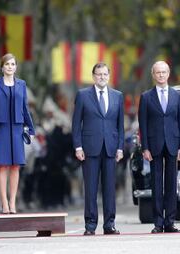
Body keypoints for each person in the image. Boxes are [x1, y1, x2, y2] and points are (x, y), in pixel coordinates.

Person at [72, 62, 124, 235]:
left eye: (105, 74)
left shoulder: (117, 96)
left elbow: (120, 125)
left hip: (110, 147)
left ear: (109, 76)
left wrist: (120, 147)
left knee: (109, 188)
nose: (102, 77)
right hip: (89, 148)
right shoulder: (83, 95)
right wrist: (78, 146)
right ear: (93, 76)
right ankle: (90, 225)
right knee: (91, 188)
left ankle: (109, 224)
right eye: (99, 74)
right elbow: (76, 123)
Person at [138, 61, 180, 233]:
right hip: (154, 144)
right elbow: (142, 124)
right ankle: (158, 223)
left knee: (171, 183)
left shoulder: (177, 96)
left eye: (164, 72)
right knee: (156, 184)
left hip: (173, 144)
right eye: (158, 72)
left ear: (168, 73)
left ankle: (170, 222)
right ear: (153, 74)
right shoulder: (145, 97)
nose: (161, 75)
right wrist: (145, 148)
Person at [0, 53, 35, 214]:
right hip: (0, 128)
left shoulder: (22, 84)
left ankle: (13, 202)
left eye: (13, 64)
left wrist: (31, 127)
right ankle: (4, 203)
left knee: (16, 166)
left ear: (16, 67)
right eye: (7, 64)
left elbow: (25, 108)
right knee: (2, 166)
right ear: (2, 67)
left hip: (16, 128)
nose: (10, 67)